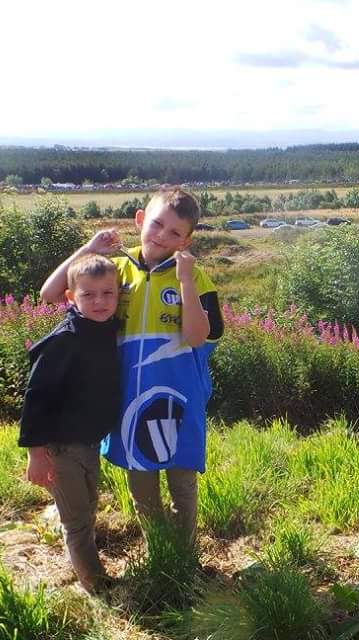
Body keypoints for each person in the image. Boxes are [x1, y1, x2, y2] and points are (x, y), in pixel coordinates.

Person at [40, 187, 224, 543]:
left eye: (175, 233)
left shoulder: (196, 278)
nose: (162, 237)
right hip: (127, 402)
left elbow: (199, 337)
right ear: (140, 220)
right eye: (156, 225)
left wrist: (185, 281)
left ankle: (183, 557)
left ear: (186, 242)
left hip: (181, 401)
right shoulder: (115, 270)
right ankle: (159, 551)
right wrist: (90, 249)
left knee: (182, 483)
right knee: (142, 487)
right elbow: (50, 293)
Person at [20, 254, 121, 593]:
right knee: (77, 521)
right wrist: (36, 453)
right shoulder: (64, 340)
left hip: (88, 442)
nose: (99, 302)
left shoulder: (105, 328)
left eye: (108, 293)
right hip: (59, 447)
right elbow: (37, 396)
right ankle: (97, 588)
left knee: (88, 506)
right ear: (71, 298)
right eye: (88, 295)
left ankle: (88, 562)